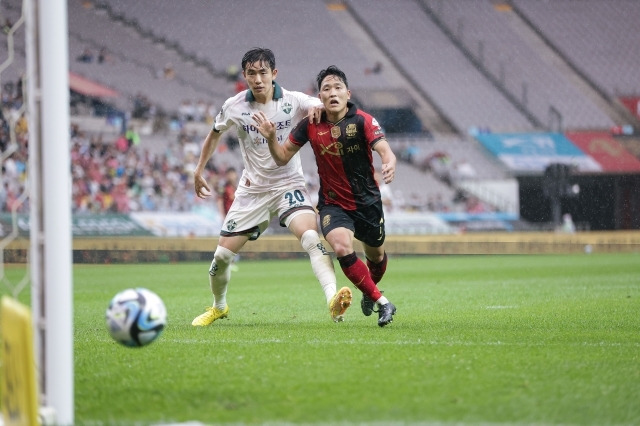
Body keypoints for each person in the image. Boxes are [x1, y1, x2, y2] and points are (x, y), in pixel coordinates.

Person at [191, 48, 352, 326]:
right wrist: (199, 169)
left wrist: (318, 106)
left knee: (312, 239)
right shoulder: (235, 105)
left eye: (263, 72)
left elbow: (327, 104)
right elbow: (215, 133)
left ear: (274, 74)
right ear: (244, 76)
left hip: (288, 184)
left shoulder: (294, 101)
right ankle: (219, 307)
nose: (258, 79)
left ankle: (332, 301)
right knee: (221, 257)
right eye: (251, 73)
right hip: (252, 190)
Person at [256, 65, 397, 327]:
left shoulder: (363, 120)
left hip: (367, 203)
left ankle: (370, 290)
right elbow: (281, 157)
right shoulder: (309, 125)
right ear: (319, 97)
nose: (332, 93)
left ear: (348, 93)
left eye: (337, 88)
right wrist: (272, 139)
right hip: (333, 204)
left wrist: (388, 162)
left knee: (376, 257)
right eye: (326, 89)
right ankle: (382, 302)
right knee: (342, 247)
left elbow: (384, 149)